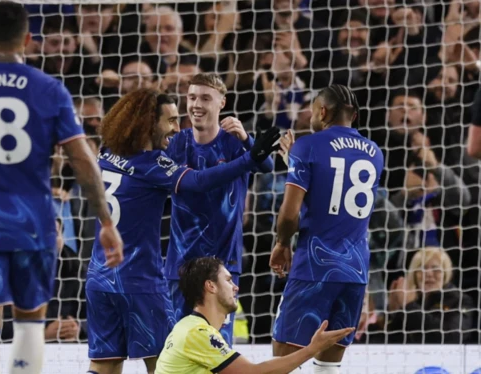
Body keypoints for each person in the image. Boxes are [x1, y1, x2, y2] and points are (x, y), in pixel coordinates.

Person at [0, 2, 123, 373]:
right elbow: (83, 161)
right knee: (30, 321)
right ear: (29, 40)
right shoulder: (51, 90)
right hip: (35, 221)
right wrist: (106, 222)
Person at [86, 88, 283, 374]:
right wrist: (248, 160)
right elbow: (199, 181)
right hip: (140, 282)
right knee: (164, 364)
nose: (177, 128)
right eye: (170, 121)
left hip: (99, 279)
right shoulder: (151, 165)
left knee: (104, 364)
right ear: (147, 123)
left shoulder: (107, 153)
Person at [269, 84, 384, 373]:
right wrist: (293, 161)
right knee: (327, 368)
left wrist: (282, 244)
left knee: (282, 361)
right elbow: (337, 179)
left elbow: (288, 215)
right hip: (355, 273)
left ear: (322, 111)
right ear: (354, 116)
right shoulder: (375, 153)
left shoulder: (308, 145)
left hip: (314, 268)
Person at [164, 73, 277, 344]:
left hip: (223, 264)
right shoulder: (176, 144)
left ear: (222, 102)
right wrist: (250, 155)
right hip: (181, 264)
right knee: (177, 344)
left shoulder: (234, 142)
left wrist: (249, 141)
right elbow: (196, 182)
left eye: (205, 98)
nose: (196, 105)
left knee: (218, 346)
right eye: (192, 97)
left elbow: (267, 166)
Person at [155, 257, 354, 374]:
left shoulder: (190, 328)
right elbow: (254, 373)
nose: (236, 287)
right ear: (211, 286)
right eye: (228, 280)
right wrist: (313, 349)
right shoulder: (196, 333)